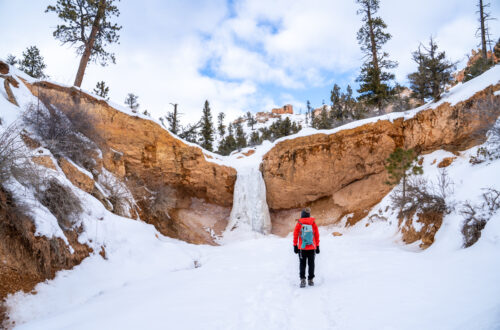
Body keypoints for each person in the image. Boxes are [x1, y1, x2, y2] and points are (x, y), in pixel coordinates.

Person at [293, 207, 320, 288]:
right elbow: (316, 235)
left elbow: (295, 235)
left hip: (302, 248)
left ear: (302, 215)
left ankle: (302, 280)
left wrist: (295, 245)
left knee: (302, 264)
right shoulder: (313, 223)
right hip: (312, 247)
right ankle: (310, 280)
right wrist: (317, 246)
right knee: (311, 264)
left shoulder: (299, 223)